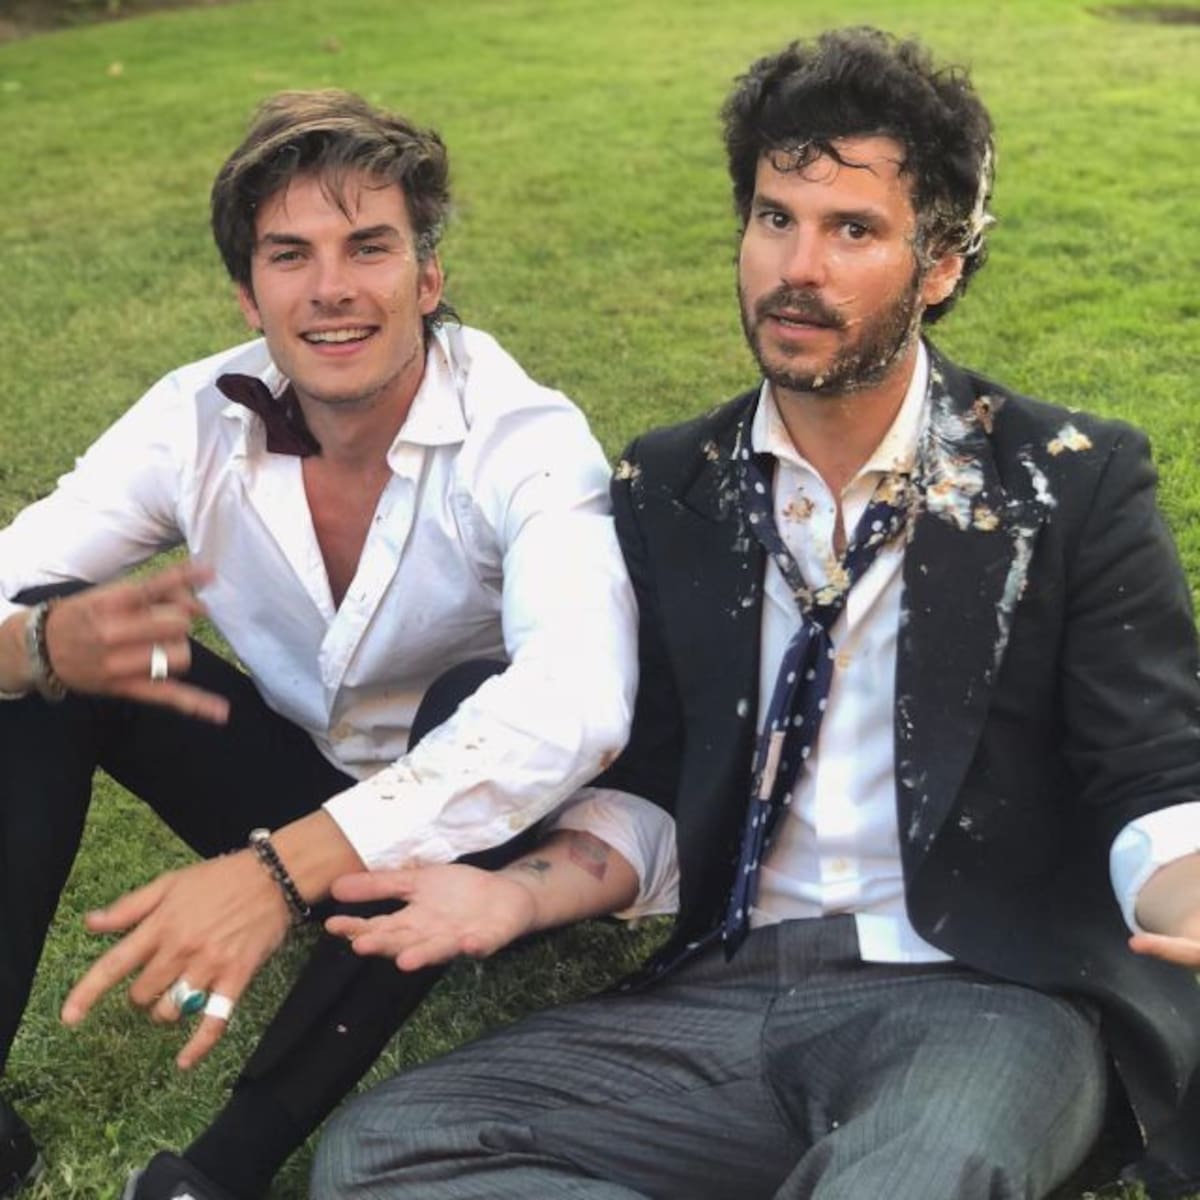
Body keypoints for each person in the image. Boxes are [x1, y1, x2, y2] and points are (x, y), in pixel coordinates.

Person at [310, 28, 1200, 1200]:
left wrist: (1189, 896)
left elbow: (1153, 772)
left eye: (853, 230)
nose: (799, 268)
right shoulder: (672, 483)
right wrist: (514, 894)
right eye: (777, 218)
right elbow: (653, 778)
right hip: (728, 991)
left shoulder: (1063, 480)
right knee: (385, 1151)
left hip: (982, 999)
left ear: (938, 265)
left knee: (915, 1176)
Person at [0, 89, 640, 1200]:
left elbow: (576, 700)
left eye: (369, 247)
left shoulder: (525, 437)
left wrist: (278, 873)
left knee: (474, 693)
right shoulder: (196, 417)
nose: (331, 288)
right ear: (248, 294)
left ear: (428, 278)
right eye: (290, 255)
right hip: (298, 794)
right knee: (49, 641)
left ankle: (220, 1169)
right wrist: (39, 647)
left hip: (489, 844)